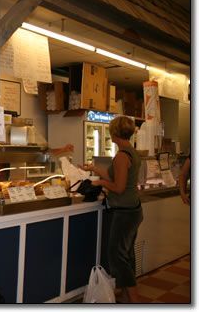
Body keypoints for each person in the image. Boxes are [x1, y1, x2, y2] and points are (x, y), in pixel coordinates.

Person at [80, 116, 142, 303]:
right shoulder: (131, 152)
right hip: (133, 209)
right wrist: (95, 169)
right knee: (127, 253)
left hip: (124, 212)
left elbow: (118, 187)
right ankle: (123, 292)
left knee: (117, 256)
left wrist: (99, 182)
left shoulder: (122, 156)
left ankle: (135, 300)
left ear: (114, 133)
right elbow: (114, 176)